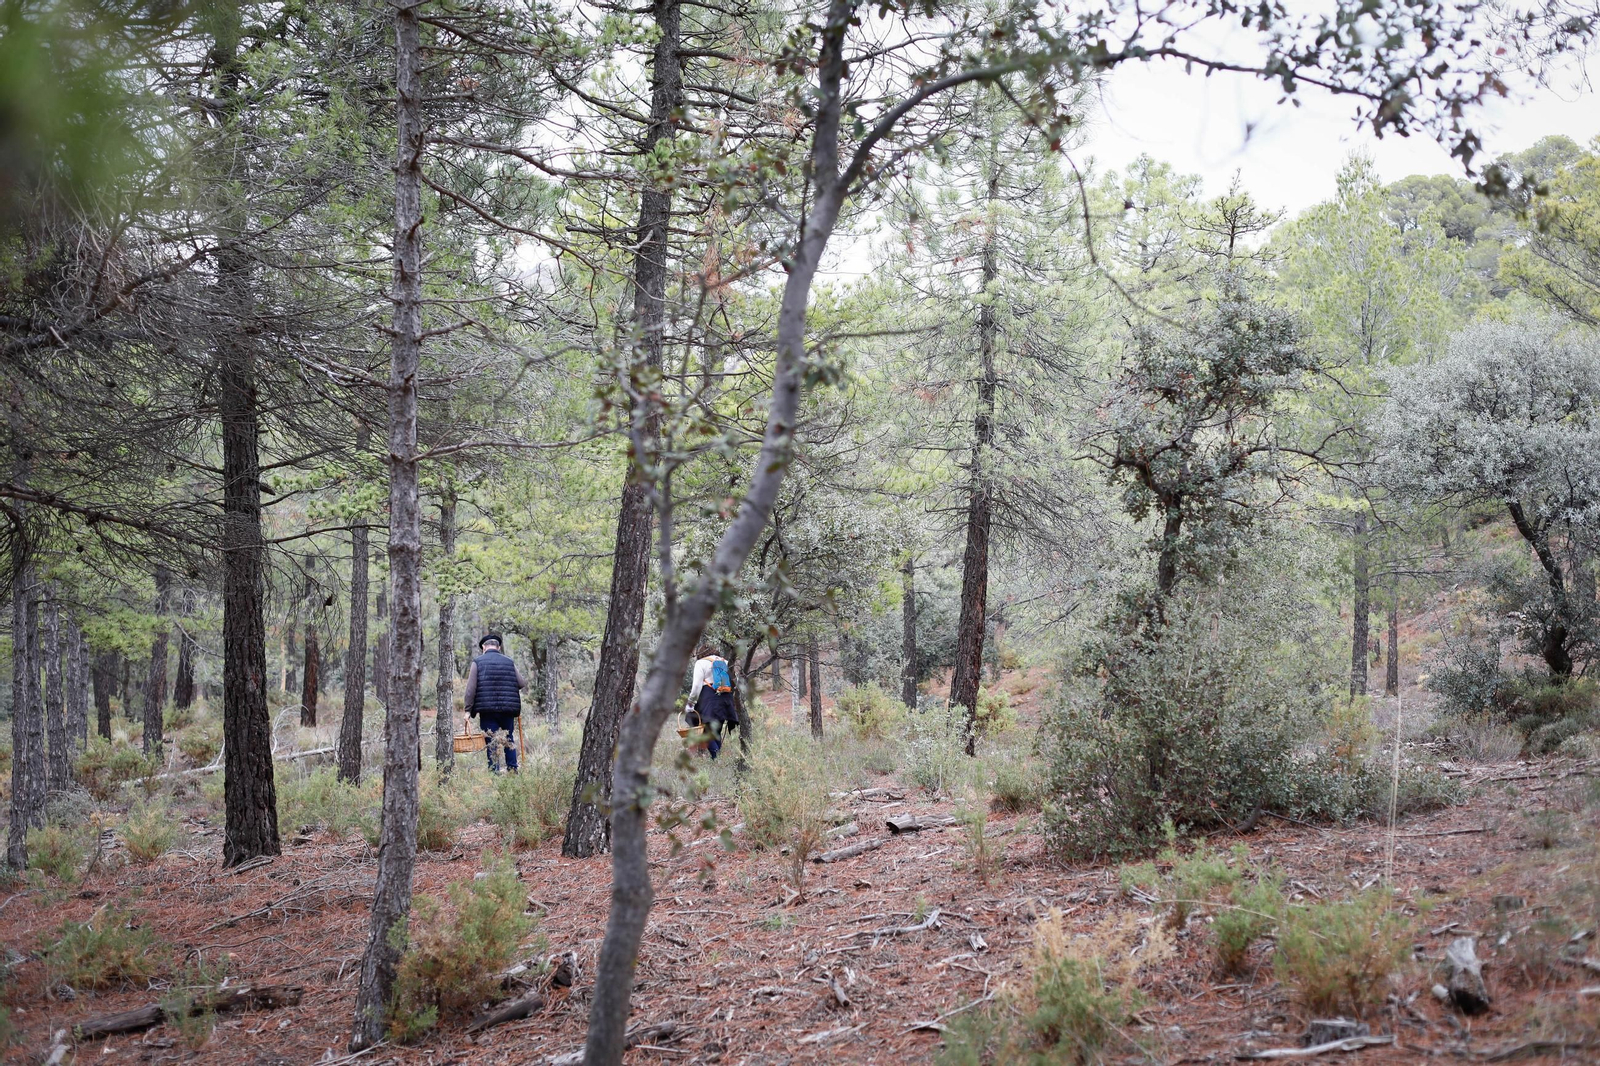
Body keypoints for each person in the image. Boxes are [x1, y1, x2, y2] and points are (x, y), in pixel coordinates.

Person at [464, 633, 527, 773]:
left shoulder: (477, 662)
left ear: (483, 647)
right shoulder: (509, 662)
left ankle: (494, 773)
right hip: (507, 710)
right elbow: (521, 683)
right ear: (499, 647)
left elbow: (470, 689)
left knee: (491, 741)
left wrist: (468, 710)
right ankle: (512, 770)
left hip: (487, 711)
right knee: (509, 739)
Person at [687, 644, 737, 759]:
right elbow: (735, 680)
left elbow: (696, 686)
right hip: (726, 699)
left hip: (708, 700)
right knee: (716, 731)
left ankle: (716, 757)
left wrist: (691, 703)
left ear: (701, 653)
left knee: (705, 732)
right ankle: (717, 759)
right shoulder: (726, 661)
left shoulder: (701, 663)